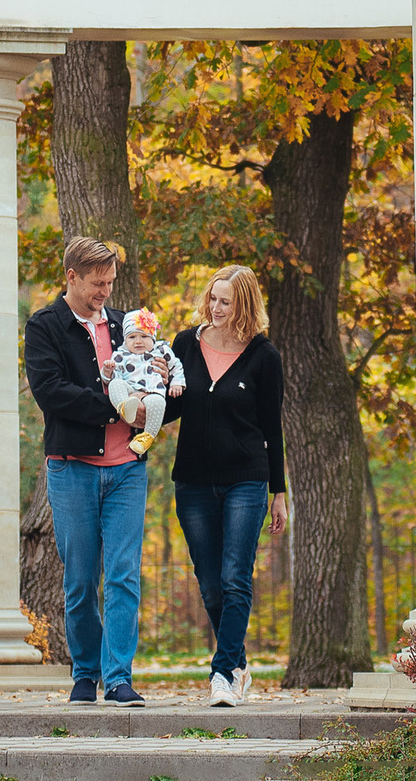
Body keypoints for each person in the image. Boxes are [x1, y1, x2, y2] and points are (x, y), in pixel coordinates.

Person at [24, 235, 165, 706]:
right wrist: (115, 409)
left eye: (110, 282)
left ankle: (120, 677)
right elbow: (52, 392)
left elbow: (156, 378)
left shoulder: (130, 325)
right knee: (82, 579)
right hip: (72, 471)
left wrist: (158, 398)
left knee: (123, 574)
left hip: (127, 470)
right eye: (96, 283)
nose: (105, 291)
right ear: (72, 276)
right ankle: (85, 673)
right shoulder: (45, 326)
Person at [170, 263, 287, 708]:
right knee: (211, 583)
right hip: (194, 482)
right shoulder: (185, 344)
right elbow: (175, 405)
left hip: (247, 480)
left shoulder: (264, 356)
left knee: (235, 576)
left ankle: (222, 674)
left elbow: (271, 427)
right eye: (214, 298)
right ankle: (238, 662)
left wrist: (279, 492)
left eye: (227, 301)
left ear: (244, 305)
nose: (217, 308)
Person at [108, 309, 185, 456]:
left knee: (158, 403)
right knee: (115, 384)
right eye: (132, 337)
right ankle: (124, 406)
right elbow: (113, 377)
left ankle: (147, 436)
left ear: (153, 338)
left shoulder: (161, 350)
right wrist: (107, 372)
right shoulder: (120, 354)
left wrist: (177, 383)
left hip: (152, 390)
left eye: (144, 336)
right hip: (129, 389)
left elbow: (176, 366)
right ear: (125, 340)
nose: (138, 341)